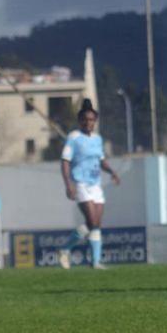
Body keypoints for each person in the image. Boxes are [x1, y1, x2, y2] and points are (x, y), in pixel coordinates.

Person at [58, 99, 120, 270]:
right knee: (92, 221)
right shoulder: (73, 138)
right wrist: (68, 184)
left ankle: (95, 262)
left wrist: (112, 172)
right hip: (80, 183)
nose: (88, 122)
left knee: (96, 224)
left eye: (92, 119)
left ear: (95, 121)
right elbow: (65, 162)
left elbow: (101, 161)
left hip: (95, 185)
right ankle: (65, 250)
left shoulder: (97, 139)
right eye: (85, 119)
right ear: (80, 120)